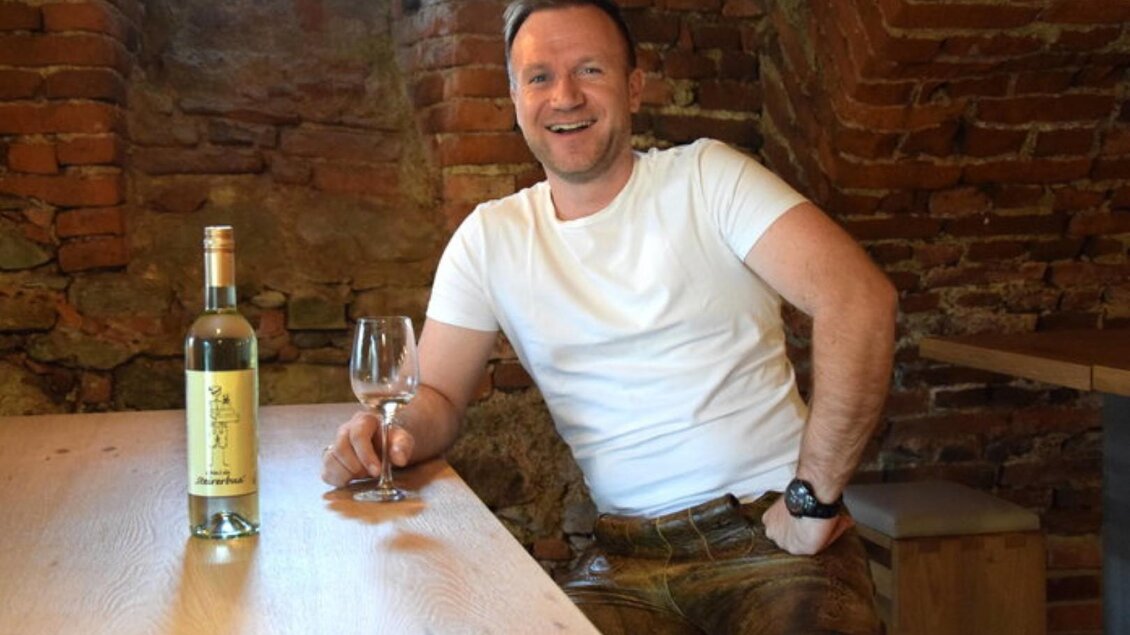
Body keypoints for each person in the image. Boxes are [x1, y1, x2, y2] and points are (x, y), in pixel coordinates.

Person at [322, 0, 897, 632]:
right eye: (539, 77)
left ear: (634, 86)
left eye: (589, 70)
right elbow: (434, 393)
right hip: (623, 565)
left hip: (766, 539)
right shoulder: (491, 238)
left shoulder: (708, 178)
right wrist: (390, 433)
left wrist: (812, 498)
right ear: (514, 97)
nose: (564, 96)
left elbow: (858, 298)